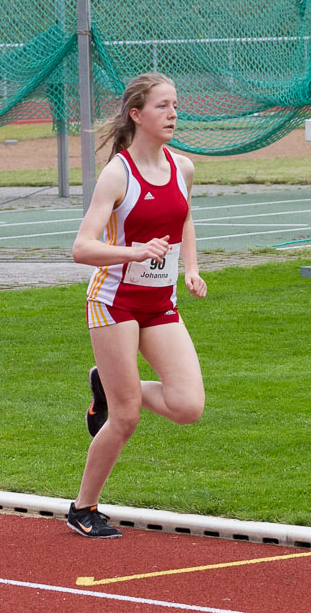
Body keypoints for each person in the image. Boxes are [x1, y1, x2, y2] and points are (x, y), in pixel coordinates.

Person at [69, 73, 207, 538]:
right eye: (163, 106)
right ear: (136, 115)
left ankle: (108, 385)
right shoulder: (118, 174)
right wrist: (132, 251)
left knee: (188, 406)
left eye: (175, 105)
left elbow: (183, 219)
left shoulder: (182, 167)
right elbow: (82, 248)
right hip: (114, 301)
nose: (173, 114)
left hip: (159, 302)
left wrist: (190, 267)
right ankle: (83, 508)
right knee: (126, 418)